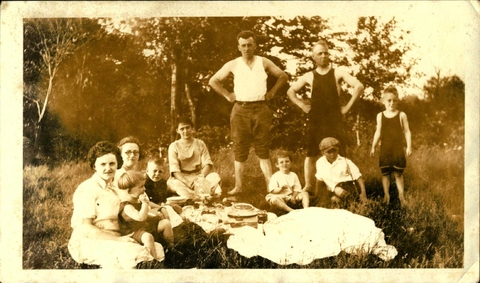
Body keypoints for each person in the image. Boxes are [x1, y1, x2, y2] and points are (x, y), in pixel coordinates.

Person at [209, 30, 288, 195]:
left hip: (261, 108)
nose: (247, 48)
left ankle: (270, 187)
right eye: (243, 45)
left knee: (263, 148)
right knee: (239, 148)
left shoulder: (263, 62)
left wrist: (272, 93)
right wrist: (227, 94)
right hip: (240, 110)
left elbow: (282, 76)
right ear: (239, 47)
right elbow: (213, 80)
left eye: (250, 45)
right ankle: (238, 187)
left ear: (255, 46)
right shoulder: (233, 64)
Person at [68, 141, 164, 269]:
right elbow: (86, 228)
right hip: (91, 239)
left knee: (157, 248)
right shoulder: (87, 188)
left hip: (117, 235)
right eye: (103, 164)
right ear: (94, 166)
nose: (108, 168)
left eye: (112, 163)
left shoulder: (117, 187)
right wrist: (118, 240)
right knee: (133, 253)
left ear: (118, 164)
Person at [286, 39, 364, 195]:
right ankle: (309, 185)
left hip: (334, 119)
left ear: (329, 55)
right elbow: (290, 91)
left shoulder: (337, 73)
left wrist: (347, 107)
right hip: (316, 119)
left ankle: (341, 183)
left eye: (325, 53)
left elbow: (359, 86)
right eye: (319, 53)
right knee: (311, 153)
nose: (323, 56)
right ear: (314, 57)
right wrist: (302, 105)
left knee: (339, 152)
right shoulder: (309, 76)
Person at [117, 170, 175, 261]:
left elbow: (149, 205)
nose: (144, 189)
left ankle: (170, 249)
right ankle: (153, 259)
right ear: (129, 191)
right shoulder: (127, 206)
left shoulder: (137, 199)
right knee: (148, 237)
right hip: (133, 231)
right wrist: (144, 203)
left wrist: (159, 208)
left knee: (166, 223)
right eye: (141, 187)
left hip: (143, 227)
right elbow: (141, 217)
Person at [370, 86, 412, 207]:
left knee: (398, 174)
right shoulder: (380, 115)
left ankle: (401, 196)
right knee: (385, 174)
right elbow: (378, 131)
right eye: (389, 100)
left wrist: (409, 146)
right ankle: (386, 195)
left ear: (397, 101)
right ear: (383, 101)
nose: (392, 103)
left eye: (394, 100)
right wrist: (373, 146)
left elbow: (407, 131)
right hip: (385, 149)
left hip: (397, 149)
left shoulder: (401, 115)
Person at [167, 117, 222, 200]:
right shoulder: (174, 146)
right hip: (182, 179)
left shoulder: (200, 143)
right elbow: (175, 171)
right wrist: (188, 183)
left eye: (188, 127)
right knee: (173, 183)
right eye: (182, 129)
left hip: (199, 176)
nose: (185, 131)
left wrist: (199, 179)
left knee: (214, 176)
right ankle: (202, 195)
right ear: (177, 131)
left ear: (192, 128)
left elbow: (207, 163)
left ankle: (192, 196)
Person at [315, 137, 367, 204]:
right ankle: (348, 202)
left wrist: (363, 193)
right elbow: (319, 180)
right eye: (329, 152)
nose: (332, 154)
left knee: (339, 192)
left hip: (348, 186)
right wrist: (317, 197)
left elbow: (358, 177)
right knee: (334, 199)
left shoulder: (345, 161)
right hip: (333, 189)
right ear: (323, 152)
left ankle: (354, 202)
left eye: (334, 151)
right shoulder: (320, 162)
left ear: (338, 149)